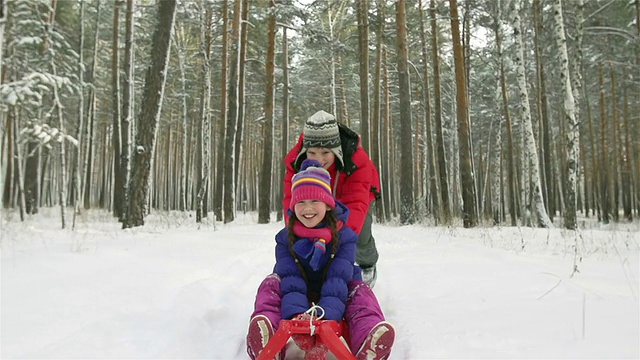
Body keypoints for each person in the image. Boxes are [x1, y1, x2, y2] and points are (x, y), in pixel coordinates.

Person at [247, 159, 394, 360]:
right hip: (299, 291)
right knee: (271, 284)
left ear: (327, 203)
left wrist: (327, 316)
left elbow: (338, 278)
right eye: (301, 202)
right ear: (293, 206)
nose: (307, 208)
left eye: (314, 201)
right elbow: (291, 277)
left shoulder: (345, 237)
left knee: (360, 292)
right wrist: (298, 317)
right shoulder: (285, 238)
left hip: (337, 291)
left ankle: (368, 339)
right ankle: (267, 338)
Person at [283, 110, 381, 287]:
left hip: (356, 194)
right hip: (316, 196)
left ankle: (367, 265)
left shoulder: (357, 161)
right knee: (310, 232)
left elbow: (356, 203)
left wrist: (338, 246)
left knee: (360, 238)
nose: (318, 160)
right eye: (312, 153)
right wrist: (295, 233)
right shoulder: (296, 162)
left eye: (325, 153)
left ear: (336, 150)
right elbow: (291, 200)